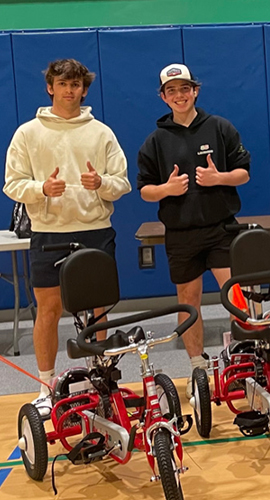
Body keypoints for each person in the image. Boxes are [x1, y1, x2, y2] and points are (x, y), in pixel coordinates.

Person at [3, 59, 131, 416]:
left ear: (84, 89)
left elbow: (123, 182)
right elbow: (12, 185)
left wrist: (102, 183)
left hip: (95, 230)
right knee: (49, 309)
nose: (70, 90)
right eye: (63, 84)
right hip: (48, 232)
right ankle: (46, 386)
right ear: (50, 87)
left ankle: (98, 377)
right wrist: (41, 188)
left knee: (99, 308)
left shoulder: (101, 132)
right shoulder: (28, 133)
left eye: (76, 84)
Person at [137, 63, 251, 397]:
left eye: (184, 89)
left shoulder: (220, 127)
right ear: (163, 97)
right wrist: (165, 190)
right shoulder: (156, 141)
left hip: (221, 227)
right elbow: (144, 190)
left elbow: (243, 172)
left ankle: (245, 361)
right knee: (189, 303)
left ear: (195, 91)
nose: (179, 95)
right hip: (182, 234)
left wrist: (220, 178)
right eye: (171, 91)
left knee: (236, 292)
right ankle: (196, 367)